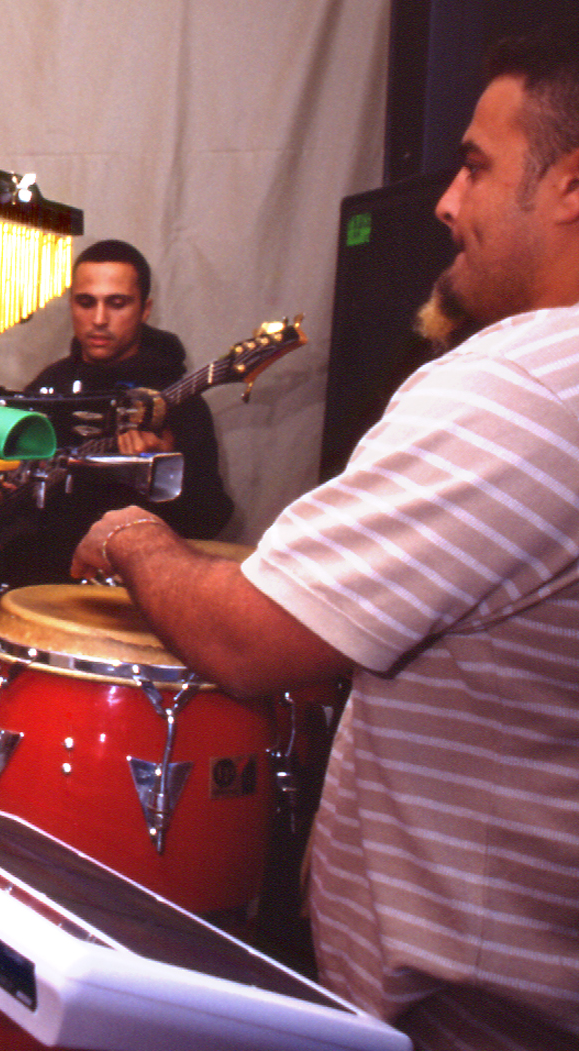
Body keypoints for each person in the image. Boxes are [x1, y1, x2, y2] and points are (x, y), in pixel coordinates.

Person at [69, 22, 579, 1050]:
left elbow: (248, 637)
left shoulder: (519, 388)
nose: (444, 202)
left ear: (569, 187)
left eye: (476, 167)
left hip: (470, 1008)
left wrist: (130, 534)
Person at [0, 239, 233, 586]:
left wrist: (164, 472)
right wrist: (6, 484)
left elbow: (212, 517)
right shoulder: (51, 384)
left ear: (145, 309)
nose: (99, 319)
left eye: (117, 303)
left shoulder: (177, 400)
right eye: (86, 302)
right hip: (40, 584)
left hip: (125, 591)